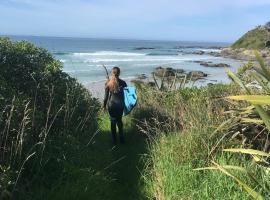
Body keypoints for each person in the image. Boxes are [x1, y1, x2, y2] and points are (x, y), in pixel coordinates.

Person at [103, 67, 127, 145]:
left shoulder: (108, 83)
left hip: (112, 105)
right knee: (119, 121)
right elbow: (127, 95)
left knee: (113, 122)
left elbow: (105, 98)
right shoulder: (123, 83)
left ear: (112, 73)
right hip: (120, 105)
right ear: (119, 73)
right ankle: (122, 139)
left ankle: (114, 141)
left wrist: (104, 106)